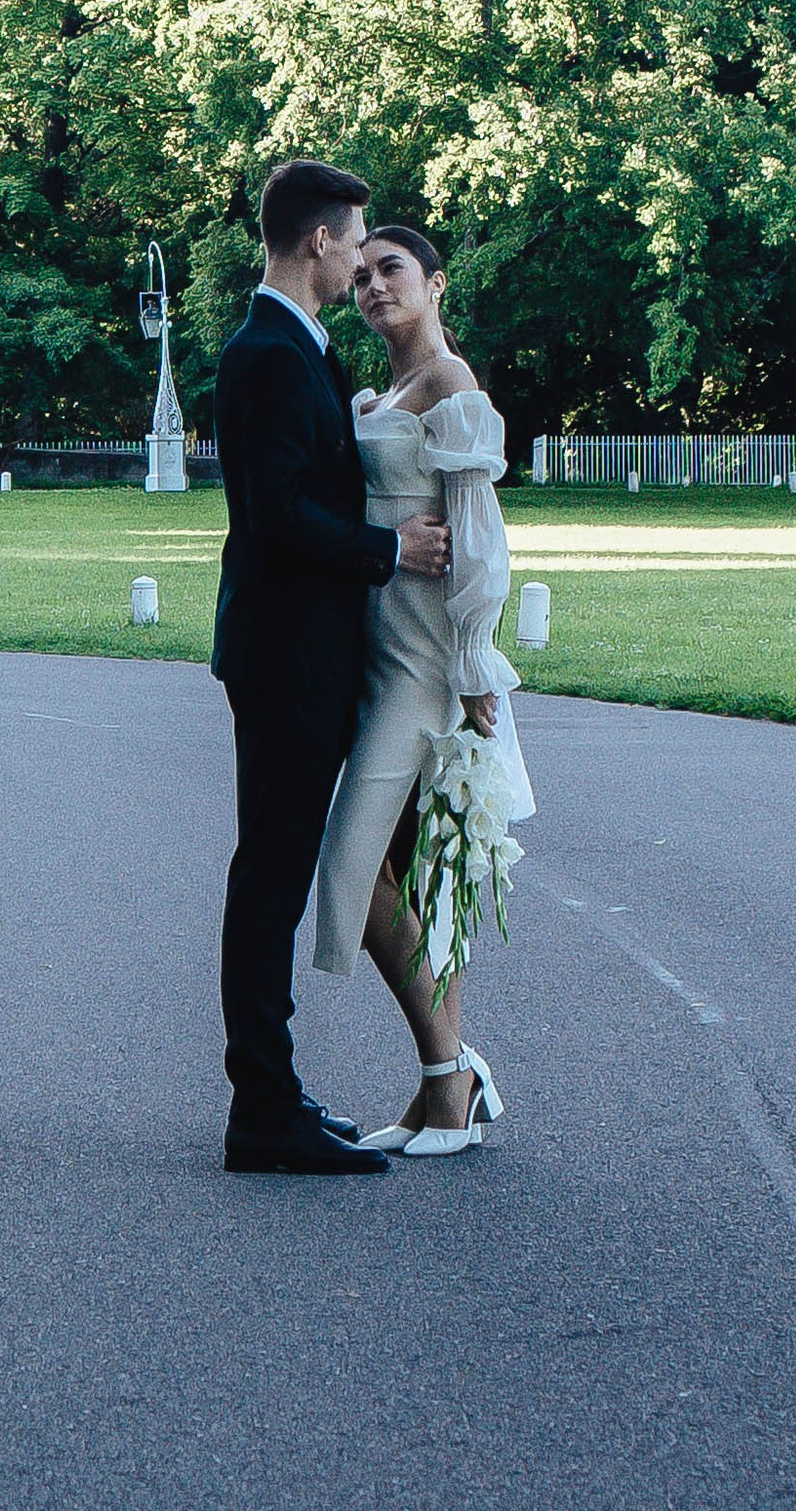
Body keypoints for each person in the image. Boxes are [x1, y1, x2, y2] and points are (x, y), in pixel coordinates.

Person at [212, 159, 452, 1176]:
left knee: (271, 876)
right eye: (355, 242)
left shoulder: (299, 349)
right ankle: (262, 1110)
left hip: (311, 655)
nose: (361, 261)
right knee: (268, 881)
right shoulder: (267, 352)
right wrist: (392, 552)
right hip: (286, 659)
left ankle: (275, 1094)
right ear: (320, 241)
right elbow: (277, 520)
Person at [312, 222, 534, 1155]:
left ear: (436, 283)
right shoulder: (373, 393)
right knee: (406, 876)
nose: (370, 286)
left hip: (422, 668)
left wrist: (479, 670)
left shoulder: (450, 385)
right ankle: (442, 1086)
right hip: (367, 660)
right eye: (359, 275)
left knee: (351, 876)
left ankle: (452, 1077)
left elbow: (480, 536)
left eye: (390, 269)